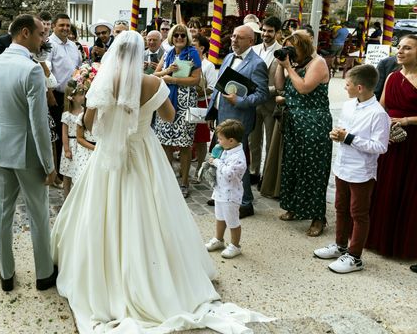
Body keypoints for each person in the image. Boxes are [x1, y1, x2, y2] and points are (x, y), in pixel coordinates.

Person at [51, 31, 270, 333]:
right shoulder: (153, 82)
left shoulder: (101, 81)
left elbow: (88, 124)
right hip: (143, 150)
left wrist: (111, 118)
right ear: (140, 53)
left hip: (108, 155)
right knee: (151, 209)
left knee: (101, 208)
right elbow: (168, 117)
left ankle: (103, 272)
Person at [0, 14, 58, 293]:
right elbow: (38, 122)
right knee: (38, 213)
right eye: (41, 34)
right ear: (25, 33)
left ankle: (6, 274)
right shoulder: (31, 69)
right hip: (27, 150)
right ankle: (43, 274)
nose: (43, 39)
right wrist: (49, 163)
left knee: (3, 214)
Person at [314, 64, 390, 273]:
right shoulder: (348, 105)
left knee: (358, 213)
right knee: (340, 207)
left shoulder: (378, 114)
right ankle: (340, 246)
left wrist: (348, 138)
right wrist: (337, 134)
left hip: (361, 171)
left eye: (347, 84)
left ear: (360, 88)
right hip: (342, 165)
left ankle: (355, 257)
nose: (344, 87)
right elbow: (342, 128)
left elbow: (380, 147)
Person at [206, 25, 269, 218]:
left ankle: (246, 202)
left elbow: (262, 94)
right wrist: (212, 113)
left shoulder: (257, 64)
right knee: (220, 158)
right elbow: (219, 87)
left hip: (238, 121)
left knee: (236, 163)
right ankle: (223, 194)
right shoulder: (228, 57)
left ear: (251, 41)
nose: (234, 40)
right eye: (233, 36)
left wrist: (239, 101)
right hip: (221, 116)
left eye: (239, 37)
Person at [275, 31, 332, 237]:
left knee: (314, 170)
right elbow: (280, 86)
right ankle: (294, 207)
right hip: (295, 123)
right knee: (293, 166)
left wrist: (289, 67)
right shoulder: (295, 63)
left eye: (293, 48)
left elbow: (305, 88)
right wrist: (282, 65)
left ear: (304, 47)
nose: (290, 52)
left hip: (314, 123)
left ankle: (318, 218)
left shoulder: (318, 63)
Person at [366, 34, 417, 261]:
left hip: (414, 142)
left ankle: (402, 244)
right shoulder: (392, 77)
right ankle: (378, 238)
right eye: (399, 47)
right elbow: (382, 107)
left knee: (408, 190)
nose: (401, 51)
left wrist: (406, 121)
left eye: (407, 48)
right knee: (386, 187)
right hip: (391, 140)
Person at [153, 24, 202, 198]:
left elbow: (196, 80)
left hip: (184, 103)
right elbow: (155, 75)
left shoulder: (193, 53)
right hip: (166, 101)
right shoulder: (168, 53)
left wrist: (173, 80)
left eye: (182, 35)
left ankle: (184, 182)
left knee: (184, 144)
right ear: (172, 37)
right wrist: (167, 73)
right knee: (165, 141)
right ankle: (168, 179)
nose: (179, 38)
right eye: (176, 35)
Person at [205, 119, 247, 259]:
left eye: (220, 139)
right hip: (220, 192)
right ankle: (219, 239)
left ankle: (235, 246)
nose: (218, 141)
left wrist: (216, 162)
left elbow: (229, 173)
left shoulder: (238, 157)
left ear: (231, 140)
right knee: (220, 217)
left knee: (232, 221)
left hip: (231, 195)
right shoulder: (226, 149)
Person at [249, 16, 282, 185]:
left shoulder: (281, 53)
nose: (265, 34)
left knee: (270, 141)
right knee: (253, 140)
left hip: (270, 104)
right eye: (264, 30)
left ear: (277, 33)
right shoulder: (253, 49)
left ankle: (266, 177)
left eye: (270, 31)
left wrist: (264, 91)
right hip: (253, 103)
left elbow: (282, 84)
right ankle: (254, 171)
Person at [48, 14, 82, 168]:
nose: (65, 28)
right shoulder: (48, 44)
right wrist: (49, 93)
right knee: (57, 133)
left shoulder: (73, 46)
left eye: (68, 25)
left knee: (71, 131)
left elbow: (78, 69)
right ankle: (57, 172)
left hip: (73, 96)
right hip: (55, 95)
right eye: (61, 25)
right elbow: (46, 71)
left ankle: (69, 167)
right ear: (54, 26)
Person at [191, 35, 216, 172]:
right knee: (188, 139)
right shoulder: (188, 62)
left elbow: (212, 88)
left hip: (201, 105)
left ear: (202, 48)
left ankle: (200, 169)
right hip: (187, 104)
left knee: (201, 140)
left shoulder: (208, 66)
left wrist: (195, 91)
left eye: (194, 45)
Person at [59, 81, 88, 197]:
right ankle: (66, 196)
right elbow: (64, 134)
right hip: (70, 146)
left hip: (81, 145)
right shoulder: (66, 115)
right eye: (80, 94)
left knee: (79, 171)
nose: (84, 97)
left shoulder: (85, 112)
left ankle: (78, 197)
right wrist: (66, 149)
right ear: (73, 97)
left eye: (84, 94)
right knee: (67, 173)